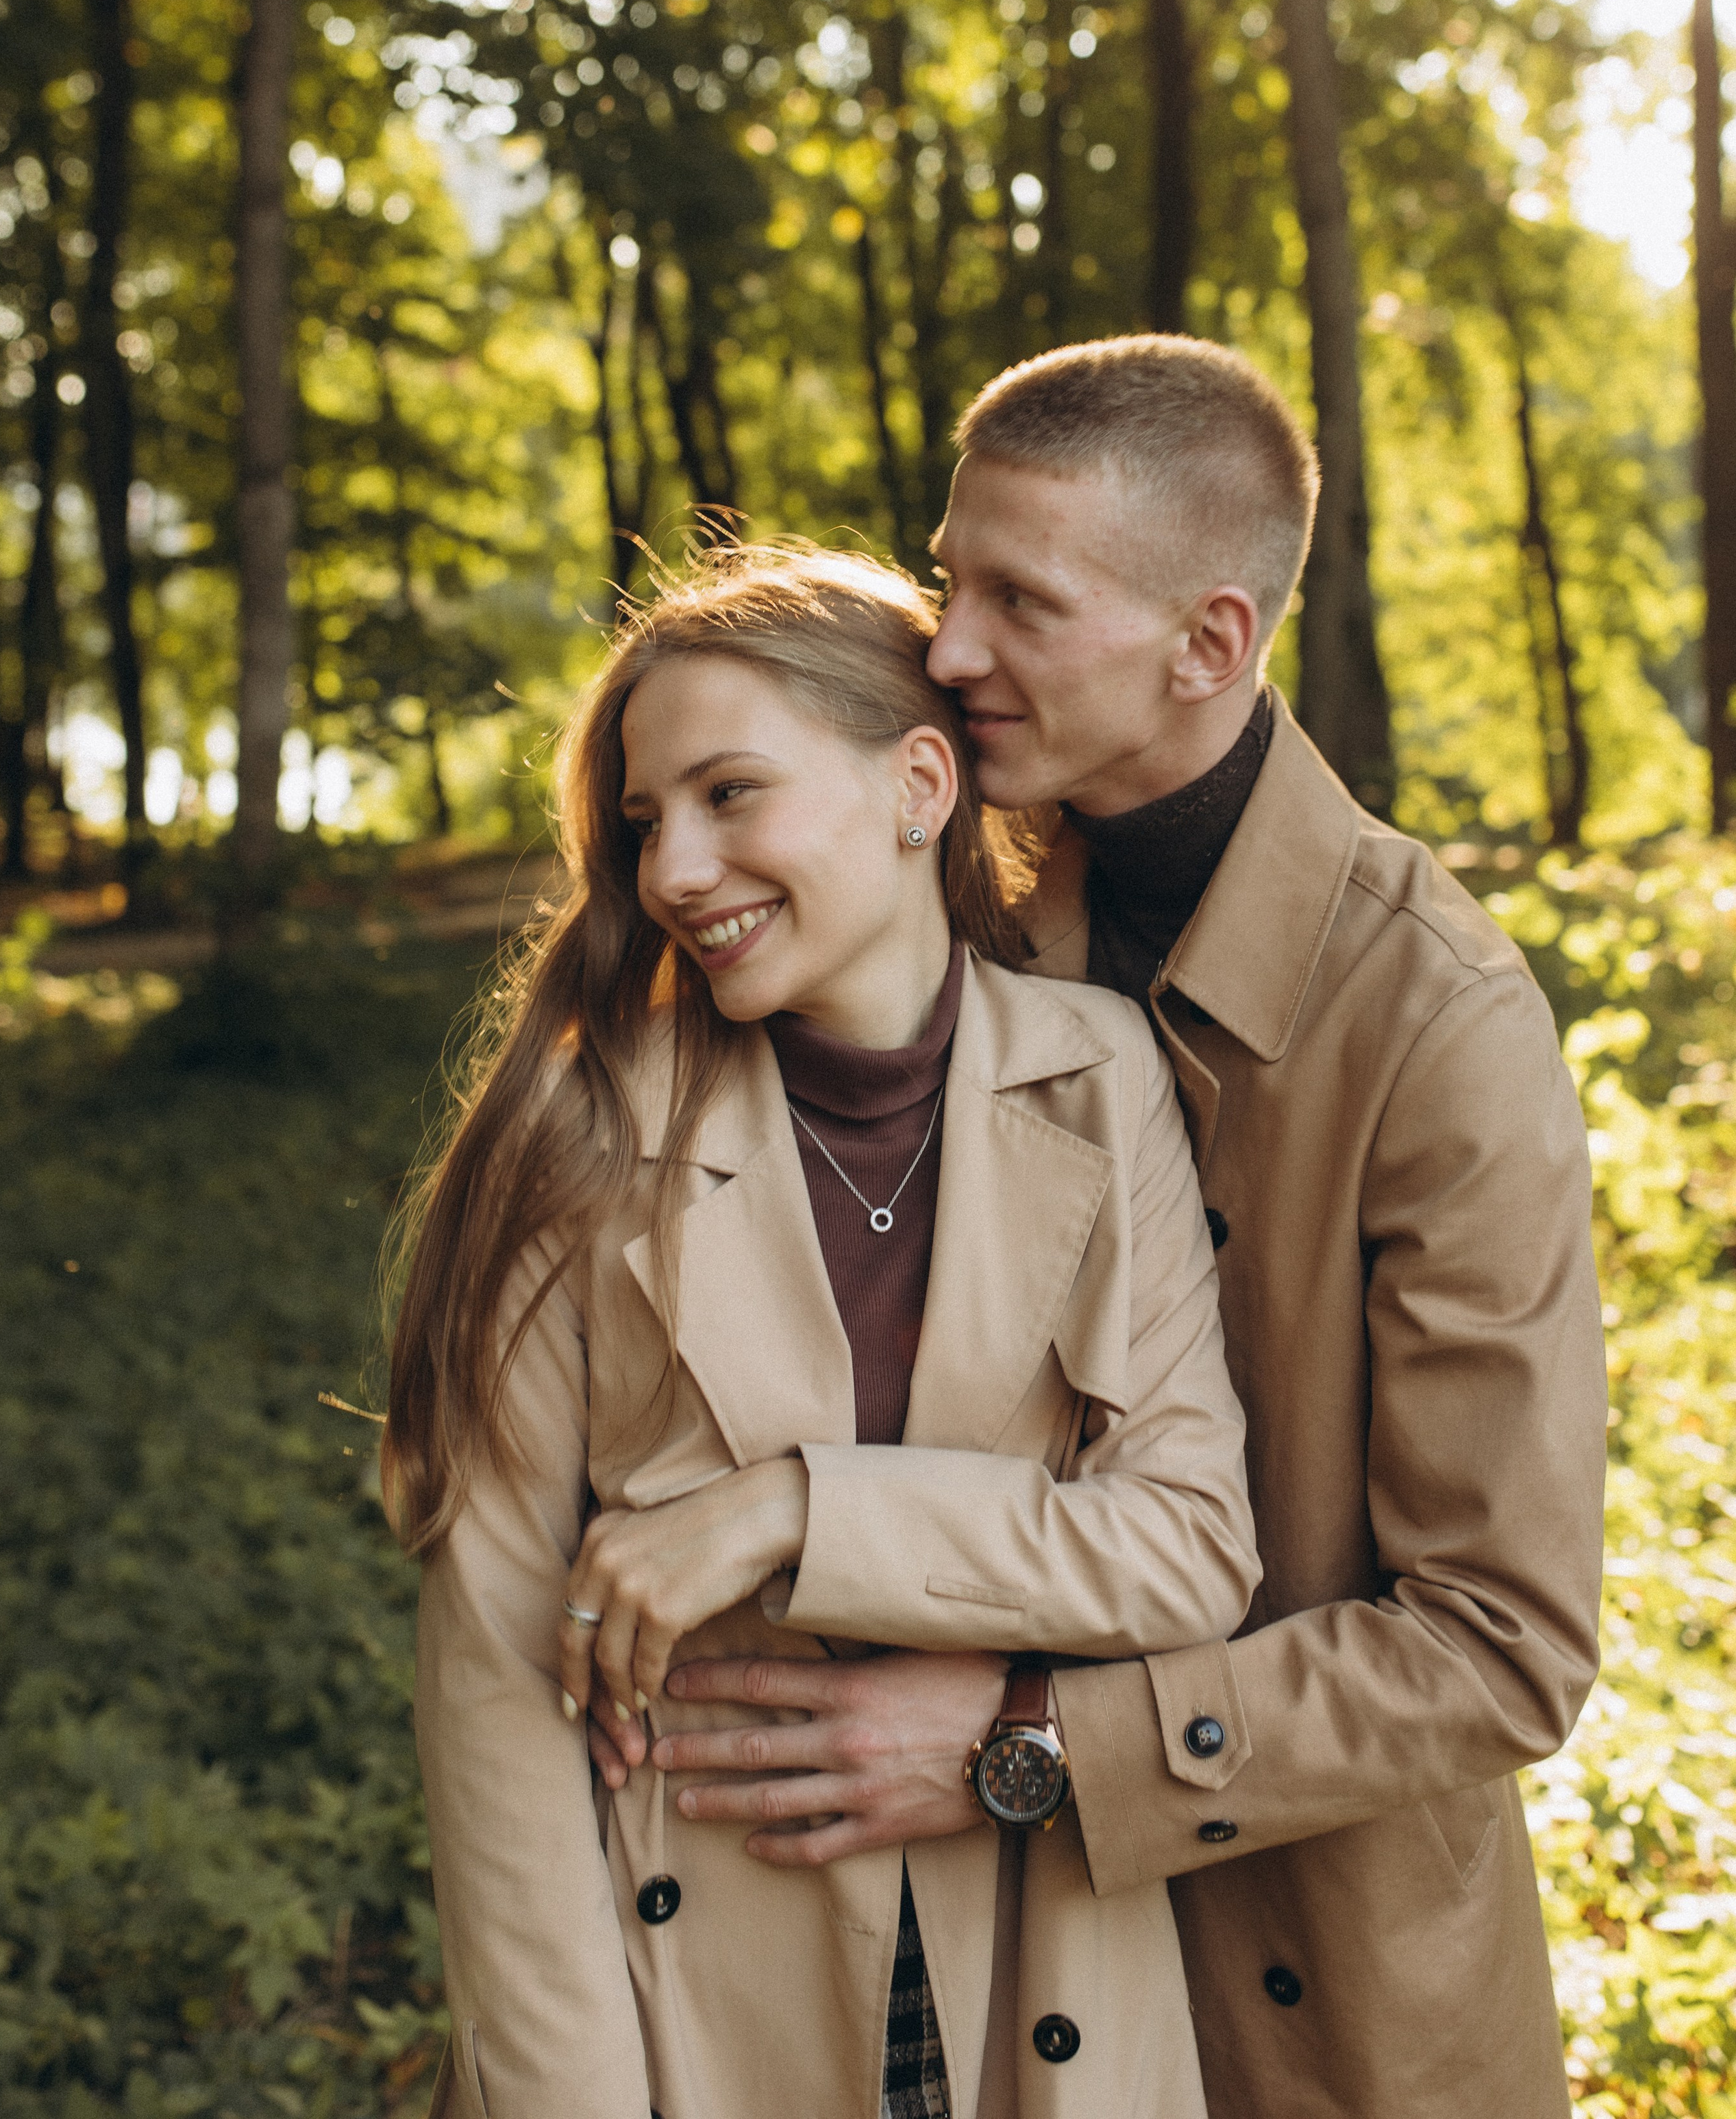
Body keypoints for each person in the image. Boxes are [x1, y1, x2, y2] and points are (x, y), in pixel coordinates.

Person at [594, 340, 1607, 2119]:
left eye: (1021, 601)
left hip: (1324, 1977)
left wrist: (1030, 1744)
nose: (950, 644)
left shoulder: (1436, 1020)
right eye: (946, 572)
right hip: (958, 1971)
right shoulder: (942, 902)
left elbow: (1503, 1642)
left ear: (1208, 645)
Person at [384, 541, 1261, 2119]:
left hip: (1039, 1983)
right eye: (647, 821)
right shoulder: (581, 1134)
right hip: (682, 2022)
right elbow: (493, 1691)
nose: (671, 870)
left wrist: (793, 1509)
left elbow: (1189, 1547)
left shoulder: (1102, 1073)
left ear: (920, 783)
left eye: (731, 793)